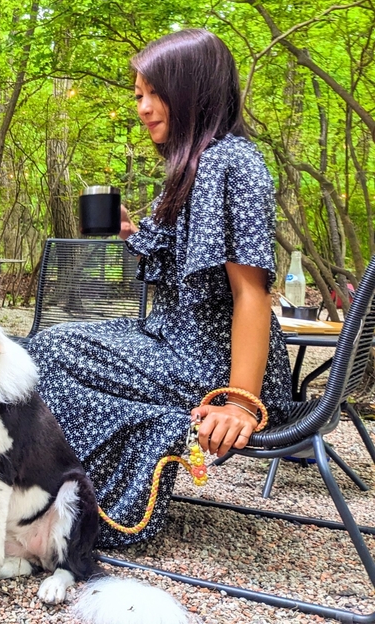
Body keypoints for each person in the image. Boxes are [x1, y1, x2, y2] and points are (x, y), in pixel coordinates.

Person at [28, 29, 291, 547]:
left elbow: (252, 294)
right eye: (138, 96)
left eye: (154, 92)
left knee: (46, 353)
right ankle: (110, 471)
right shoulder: (199, 165)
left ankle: (101, 494)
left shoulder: (231, 163)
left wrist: (240, 402)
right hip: (176, 345)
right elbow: (183, 259)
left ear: (193, 90)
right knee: (49, 347)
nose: (144, 108)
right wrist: (132, 232)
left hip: (215, 368)